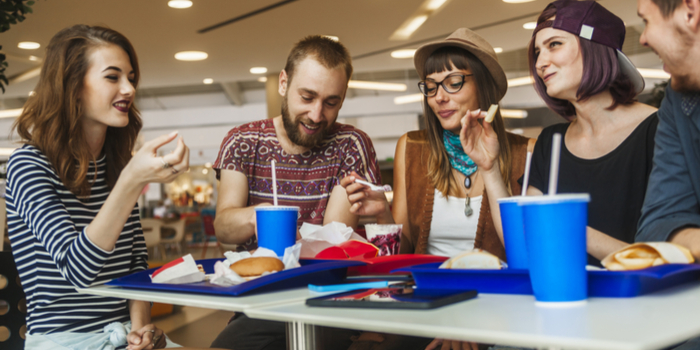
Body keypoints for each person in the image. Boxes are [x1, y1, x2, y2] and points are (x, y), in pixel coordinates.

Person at [5, 25, 221, 350]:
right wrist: (132, 180)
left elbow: (135, 262)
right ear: (73, 87)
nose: (129, 88)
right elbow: (78, 270)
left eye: (131, 77)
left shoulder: (114, 163)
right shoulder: (29, 165)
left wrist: (141, 330)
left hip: (124, 336)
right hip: (65, 342)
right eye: (112, 77)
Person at [341, 28, 531, 350]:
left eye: (453, 82)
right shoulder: (412, 148)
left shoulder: (525, 153)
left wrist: (466, 316)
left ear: (483, 85)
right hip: (422, 300)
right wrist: (383, 214)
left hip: (493, 304)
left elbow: (524, 258)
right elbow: (404, 252)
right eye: (430, 87)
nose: (439, 97)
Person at [210, 35, 380, 350]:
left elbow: (333, 240)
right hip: (261, 303)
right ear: (284, 83)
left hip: (329, 301)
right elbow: (224, 229)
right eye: (308, 96)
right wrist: (260, 216)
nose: (317, 115)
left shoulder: (351, 144)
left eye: (331, 102)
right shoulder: (243, 141)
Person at [462, 0, 658, 267]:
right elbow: (524, 245)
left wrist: (565, 225)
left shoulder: (660, 131)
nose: (541, 63)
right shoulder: (551, 142)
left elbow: (666, 257)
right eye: (537, 52)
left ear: (594, 46)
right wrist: (489, 167)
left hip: (641, 302)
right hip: (561, 299)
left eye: (554, 44)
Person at [636, 0, 700, 256]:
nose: (643, 38)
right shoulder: (678, 101)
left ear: (690, 11)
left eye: (646, 21)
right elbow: (656, 225)